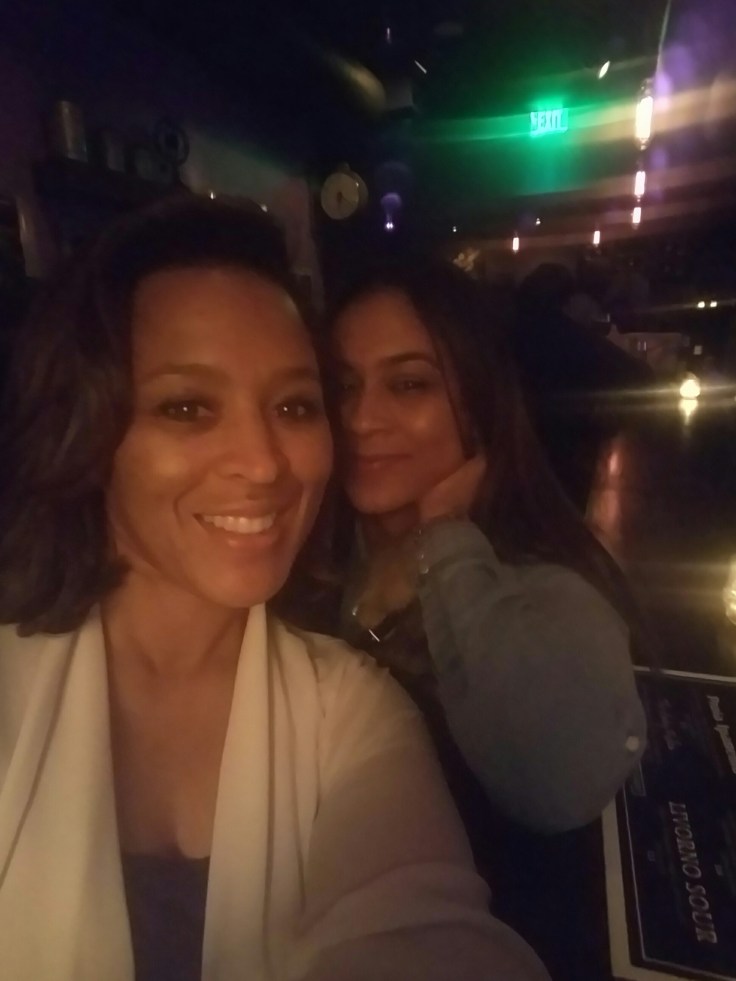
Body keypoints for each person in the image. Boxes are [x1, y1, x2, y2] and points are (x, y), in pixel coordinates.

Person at [0, 199, 550, 981]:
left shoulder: (351, 715)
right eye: (188, 407)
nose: (263, 462)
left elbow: (427, 931)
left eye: (294, 406)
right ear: (87, 431)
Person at [323, 256, 647, 837]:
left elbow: (564, 782)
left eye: (409, 384)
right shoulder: (311, 541)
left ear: (479, 403)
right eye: (345, 386)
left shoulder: (541, 582)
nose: (361, 419)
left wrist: (445, 534)